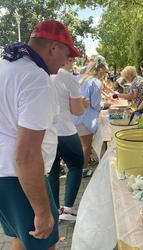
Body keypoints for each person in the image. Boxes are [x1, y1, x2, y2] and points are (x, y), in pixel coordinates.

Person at [0, 19, 81, 250]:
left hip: (6, 175)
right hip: (18, 177)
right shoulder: (36, 78)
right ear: (53, 47)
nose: (67, 60)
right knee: (43, 242)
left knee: (19, 239)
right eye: (67, 53)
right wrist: (43, 211)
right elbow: (26, 154)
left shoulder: (5, 67)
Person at [48, 57, 89, 221]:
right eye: (71, 60)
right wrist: (83, 104)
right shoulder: (68, 78)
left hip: (47, 133)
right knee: (76, 166)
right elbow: (77, 111)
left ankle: (54, 210)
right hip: (65, 130)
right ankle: (68, 209)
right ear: (64, 60)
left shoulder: (44, 75)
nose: (73, 64)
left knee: (52, 171)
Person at [73, 61, 108, 178]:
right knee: (86, 145)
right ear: (100, 71)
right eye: (104, 73)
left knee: (80, 144)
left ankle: (77, 168)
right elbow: (96, 104)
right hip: (86, 118)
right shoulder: (96, 82)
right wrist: (105, 104)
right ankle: (83, 169)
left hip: (75, 116)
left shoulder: (78, 78)